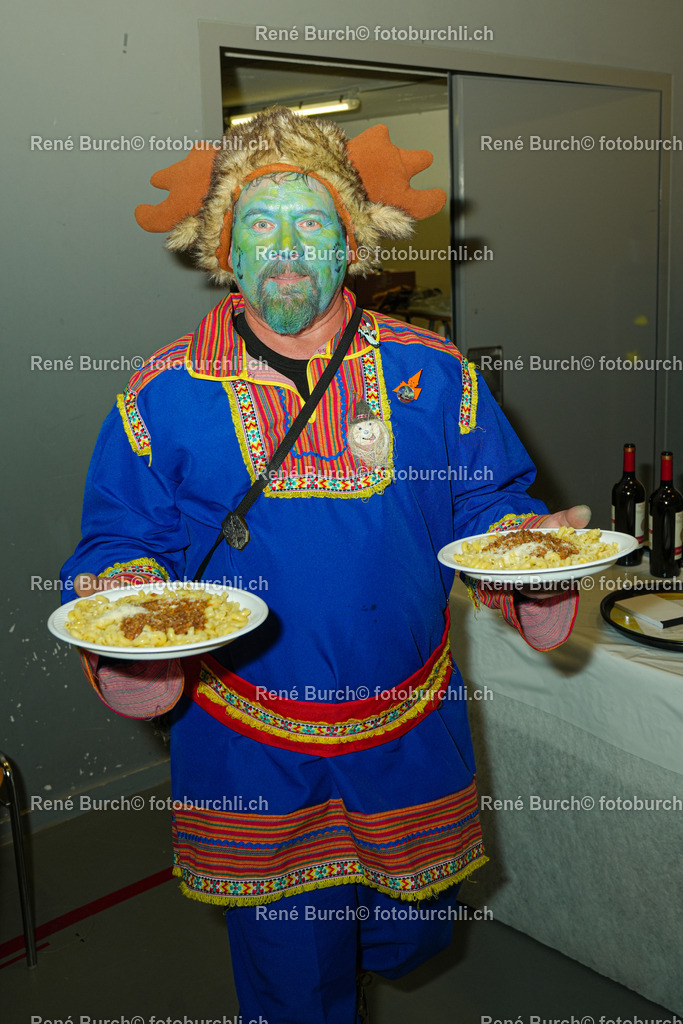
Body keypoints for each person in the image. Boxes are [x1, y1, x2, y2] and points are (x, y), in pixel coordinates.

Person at [61, 107, 588, 1024]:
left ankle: (357, 951)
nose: (289, 248)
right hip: (249, 738)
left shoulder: (436, 372)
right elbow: (117, 538)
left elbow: (486, 501)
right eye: (261, 224)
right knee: (297, 973)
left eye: (313, 223)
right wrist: (119, 596)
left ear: (352, 244)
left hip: (409, 723)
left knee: (417, 928)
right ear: (225, 248)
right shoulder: (162, 389)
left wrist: (532, 550)